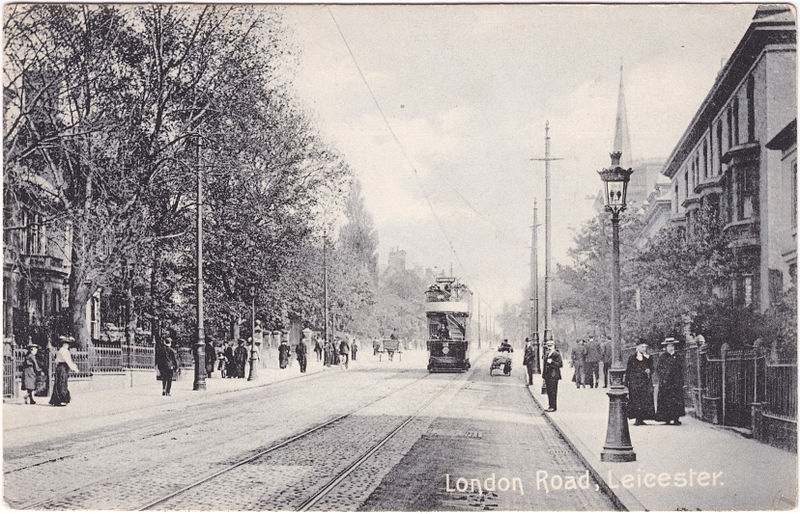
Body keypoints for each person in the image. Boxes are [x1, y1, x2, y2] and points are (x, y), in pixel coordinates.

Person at [625, 340, 656, 425]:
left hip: (645, 381)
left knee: (644, 399)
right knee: (636, 400)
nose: (644, 349)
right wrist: (626, 383)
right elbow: (628, 370)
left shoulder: (648, 357)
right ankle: (637, 418)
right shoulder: (632, 357)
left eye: (645, 347)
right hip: (635, 382)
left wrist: (649, 370)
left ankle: (642, 418)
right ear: (637, 347)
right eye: (642, 347)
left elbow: (652, 368)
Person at [655, 337, 685, 425]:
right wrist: (663, 377)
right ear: (666, 347)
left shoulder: (678, 357)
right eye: (669, 346)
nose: (671, 348)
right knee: (666, 400)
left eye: (672, 346)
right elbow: (658, 369)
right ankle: (666, 419)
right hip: (666, 382)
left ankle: (676, 418)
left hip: (676, 382)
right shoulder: (663, 357)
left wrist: (680, 380)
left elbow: (681, 369)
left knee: (676, 400)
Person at [49, 336, 80, 406]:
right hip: (62, 367)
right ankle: (61, 400)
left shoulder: (62, 350)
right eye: (66, 344)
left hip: (61, 367)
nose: (67, 345)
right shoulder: (64, 351)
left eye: (68, 344)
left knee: (60, 382)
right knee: (62, 382)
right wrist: (74, 368)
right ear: (63, 344)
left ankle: (57, 400)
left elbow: (57, 360)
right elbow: (68, 361)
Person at [542, 340, 562, 412]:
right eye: (548, 346)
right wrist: (543, 375)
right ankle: (550, 406)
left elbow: (560, 364)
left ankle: (553, 407)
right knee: (549, 391)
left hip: (554, 375)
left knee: (553, 391)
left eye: (551, 346)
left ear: (553, 346)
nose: (549, 347)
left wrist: (552, 362)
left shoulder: (556, 354)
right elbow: (545, 365)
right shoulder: (547, 354)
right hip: (548, 375)